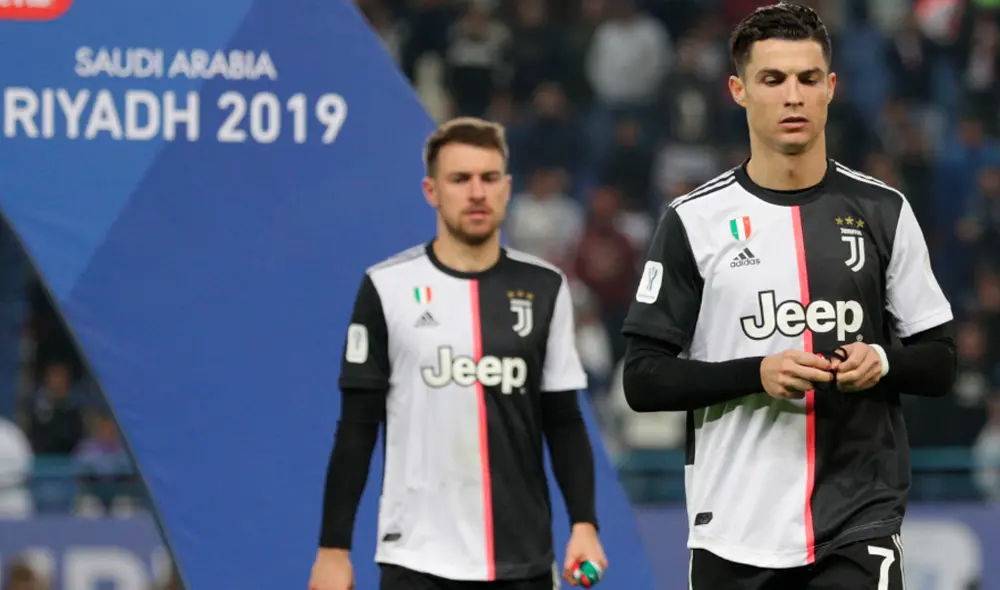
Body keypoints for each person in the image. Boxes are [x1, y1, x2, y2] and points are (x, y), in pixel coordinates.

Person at [621, 3, 957, 590]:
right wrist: (759, 371)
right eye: (772, 79)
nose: (792, 96)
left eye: (806, 79)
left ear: (830, 88)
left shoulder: (884, 210)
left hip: (858, 520)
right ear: (739, 91)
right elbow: (643, 379)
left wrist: (879, 362)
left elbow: (941, 361)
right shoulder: (693, 221)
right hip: (733, 528)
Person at [308, 117, 607, 590]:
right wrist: (333, 549)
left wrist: (584, 525)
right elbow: (357, 428)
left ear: (507, 189)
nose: (476, 192)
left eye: (489, 179)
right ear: (431, 190)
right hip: (416, 559)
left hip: (523, 561)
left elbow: (564, 420)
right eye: (459, 179)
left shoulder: (545, 287)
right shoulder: (386, 287)